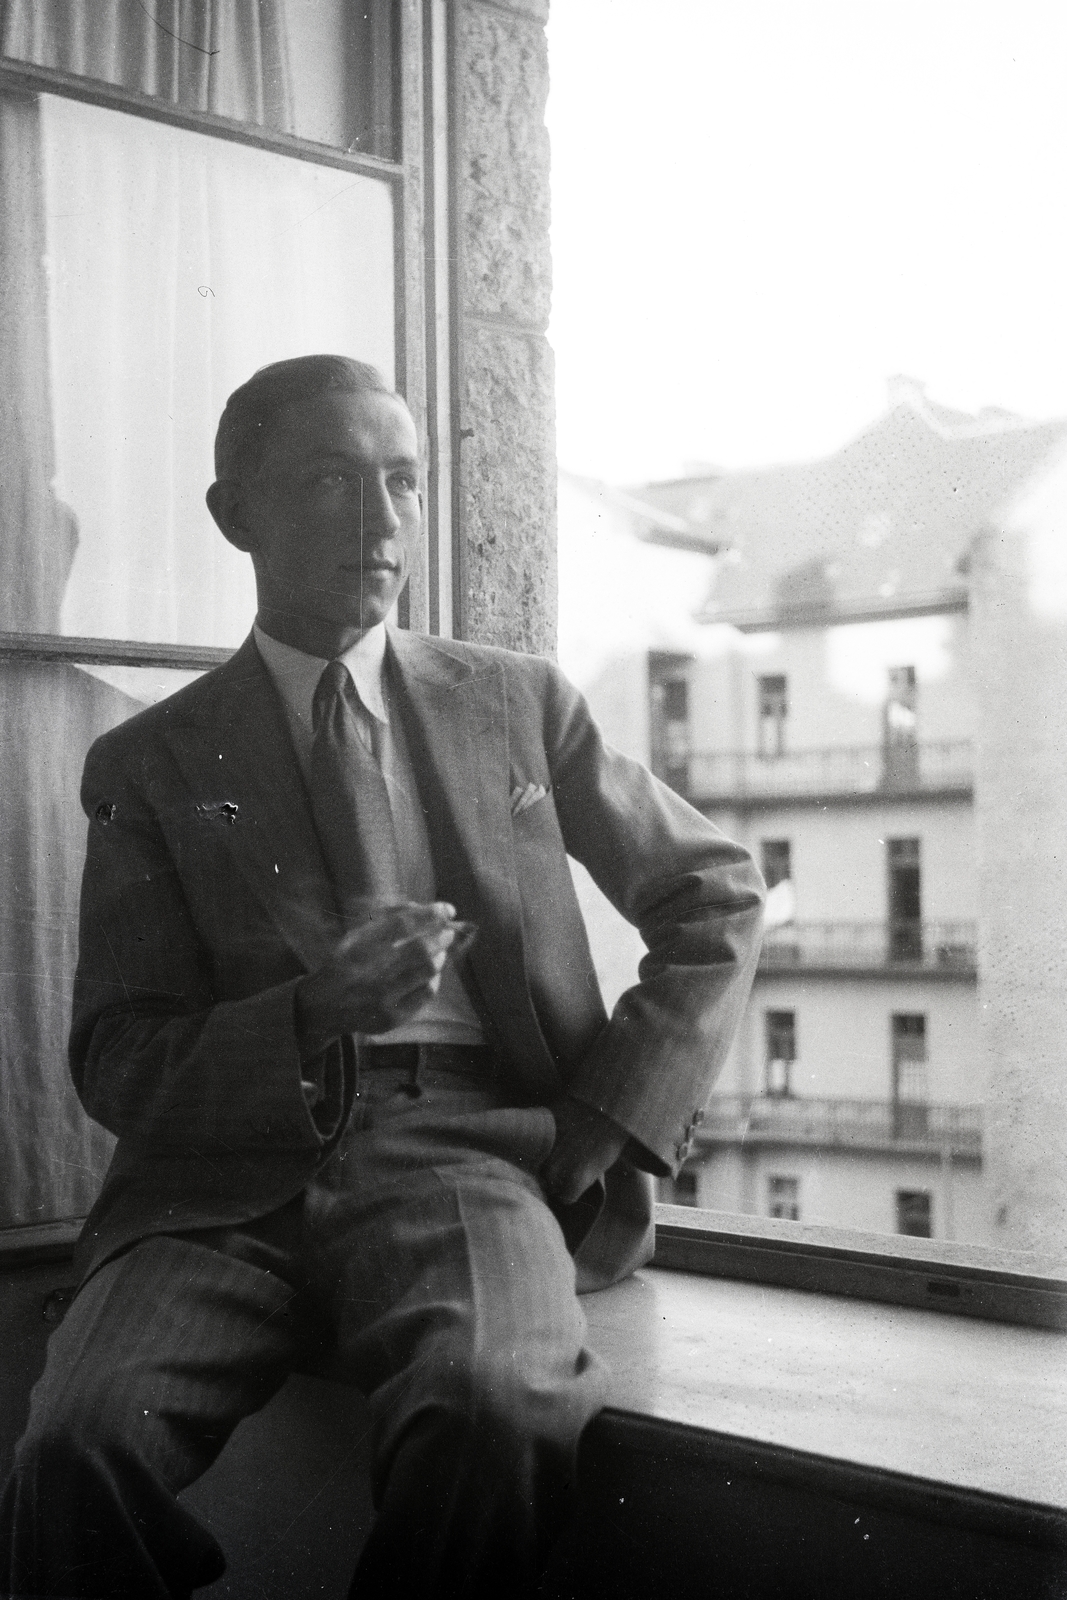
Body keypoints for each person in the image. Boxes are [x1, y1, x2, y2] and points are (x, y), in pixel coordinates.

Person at [0, 355, 764, 1599]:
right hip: (218, 1189)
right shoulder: (150, 761)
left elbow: (715, 893)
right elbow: (117, 1059)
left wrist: (607, 1114)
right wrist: (311, 1013)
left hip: (465, 1157)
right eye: (327, 481)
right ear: (234, 515)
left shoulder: (515, 703)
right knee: (73, 1450)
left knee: (496, 1409)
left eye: (403, 482)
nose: (381, 521)